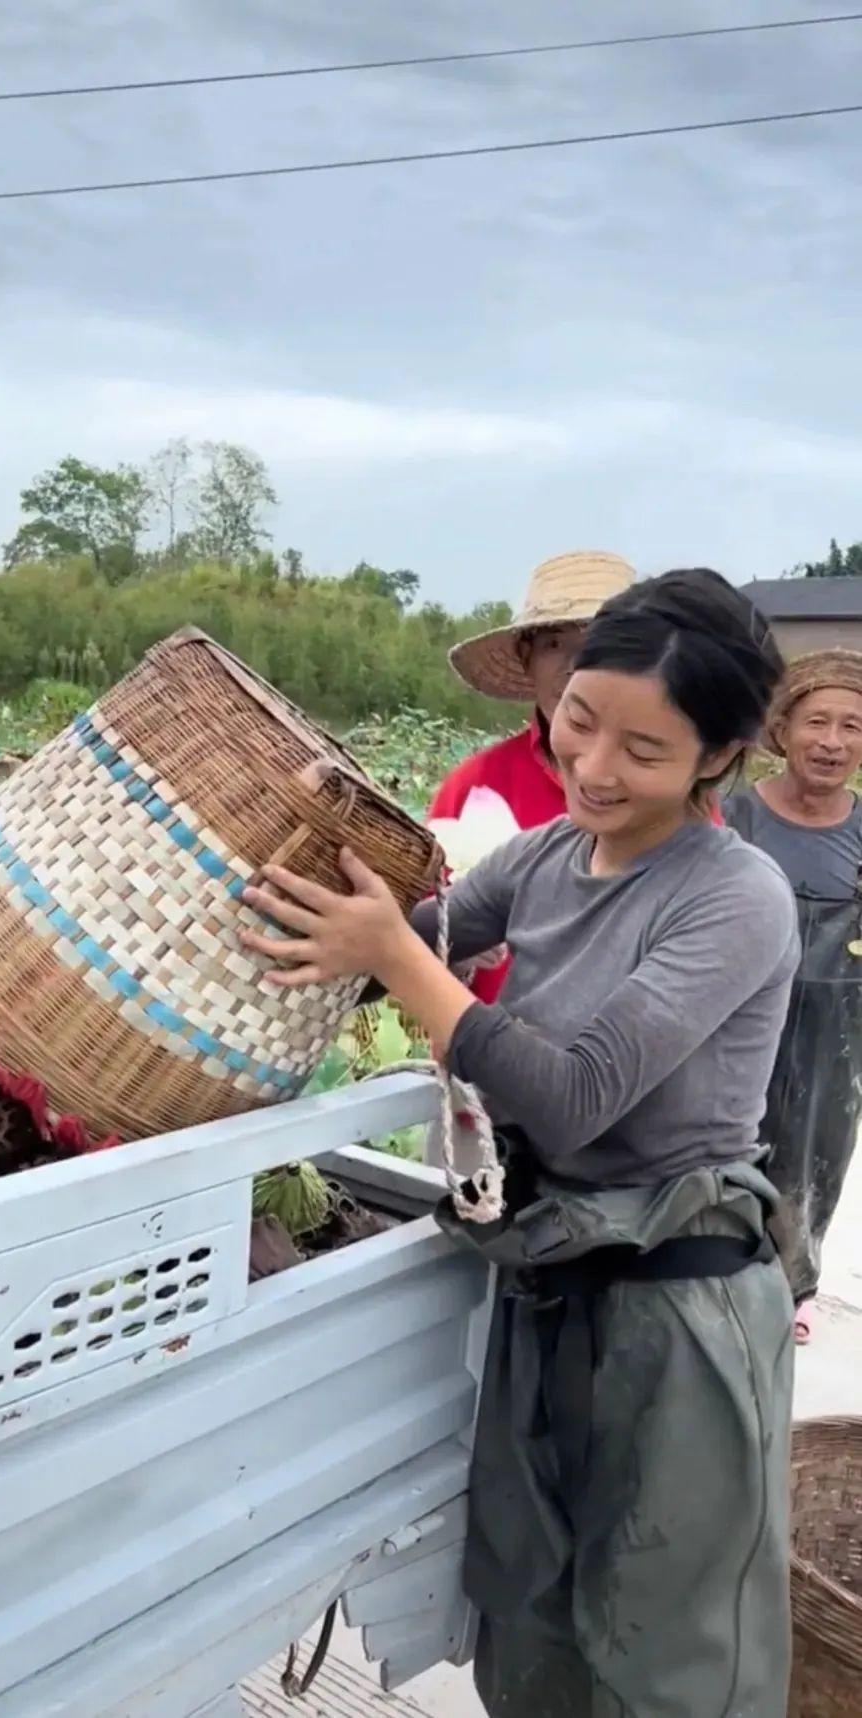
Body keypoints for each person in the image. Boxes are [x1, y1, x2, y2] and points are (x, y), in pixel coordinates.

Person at [242, 568, 799, 1717]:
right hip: (549, 1281)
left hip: (678, 1312)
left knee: (665, 1650)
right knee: (530, 1612)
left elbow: (575, 1094)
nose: (595, 766)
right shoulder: (544, 857)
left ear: (718, 755)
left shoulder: (734, 895)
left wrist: (398, 957)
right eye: (581, 720)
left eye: (644, 750)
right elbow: (405, 938)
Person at [723, 648, 862, 1346]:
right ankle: (723, 1273)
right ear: (782, 729)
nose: (832, 742)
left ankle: (794, 1283)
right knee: (731, 1141)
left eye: (851, 726)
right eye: (816, 722)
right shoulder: (736, 815)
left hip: (837, 1023)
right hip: (739, 1011)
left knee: (818, 1149)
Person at [430, 550, 637, 1003]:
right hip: (480, 1041)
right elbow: (419, 945)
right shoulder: (473, 786)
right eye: (554, 645)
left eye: (597, 643)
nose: (574, 666)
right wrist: (457, 955)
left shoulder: (671, 795)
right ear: (527, 659)